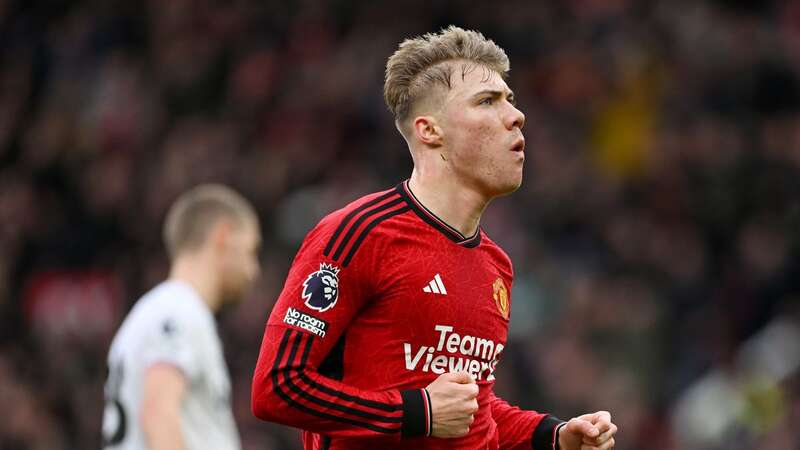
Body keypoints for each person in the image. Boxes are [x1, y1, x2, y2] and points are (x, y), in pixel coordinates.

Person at [251, 26, 618, 450]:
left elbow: (471, 408)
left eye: (510, 101)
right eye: (487, 101)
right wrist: (415, 413)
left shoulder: (495, 264)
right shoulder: (359, 234)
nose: (517, 116)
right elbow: (277, 386)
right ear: (430, 131)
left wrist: (552, 434)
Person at [102, 184, 261, 450]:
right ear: (224, 236)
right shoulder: (179, 311)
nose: (253, 270)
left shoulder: (159, 309)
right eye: (251, 251)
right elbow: (157, 414)